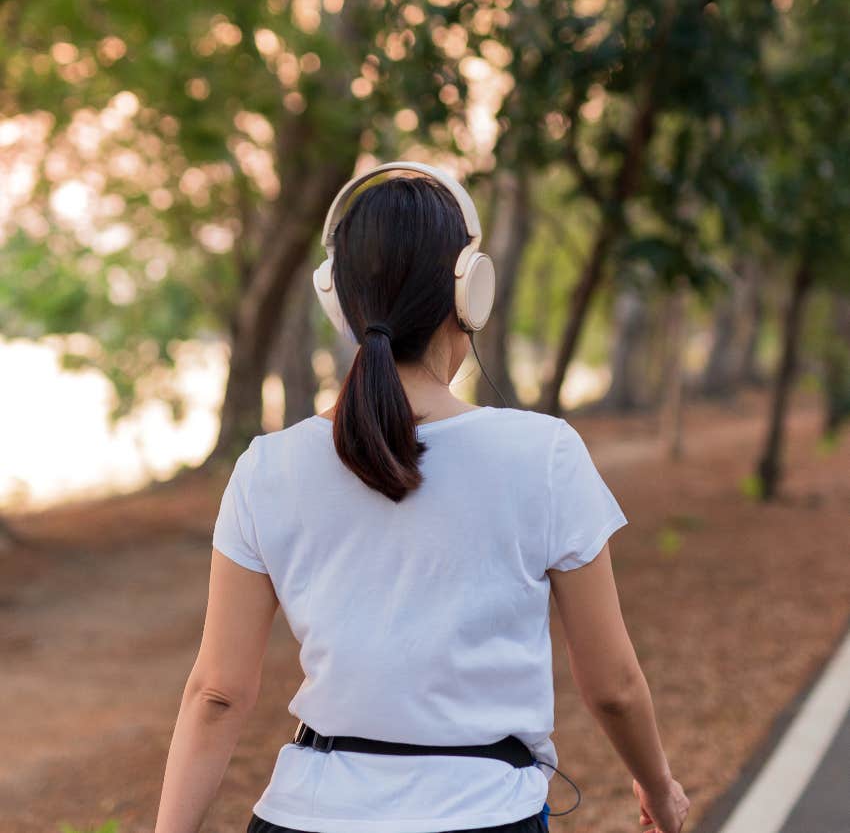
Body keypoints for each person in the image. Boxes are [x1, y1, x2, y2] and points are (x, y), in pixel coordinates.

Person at [153, 164, 689, 833]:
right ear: (471, 292)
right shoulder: (544, 456)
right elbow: (612, 687)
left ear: (338, 300)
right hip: (483, 817)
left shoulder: (268, 468)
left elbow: (217, 693)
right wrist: (658, 788)